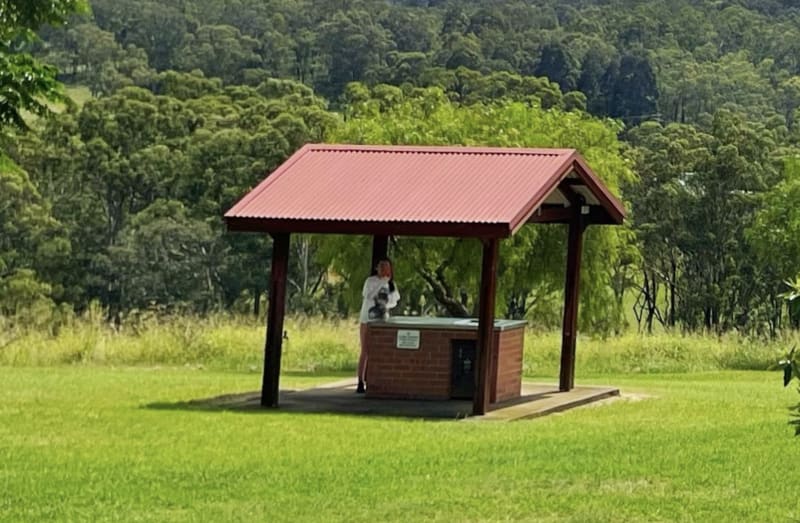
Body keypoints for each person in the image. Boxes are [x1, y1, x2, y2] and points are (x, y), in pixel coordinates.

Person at [357, 258, 400, 393]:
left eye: (387, 267)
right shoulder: (371, 281)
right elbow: (367, 295)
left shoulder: (391, 284)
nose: (385, 270)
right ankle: (360, 380)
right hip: (367, 319)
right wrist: (381, 283)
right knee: (365, 349)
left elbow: (394, 301)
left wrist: (386, 301)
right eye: (383, 267)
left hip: (382, 319)